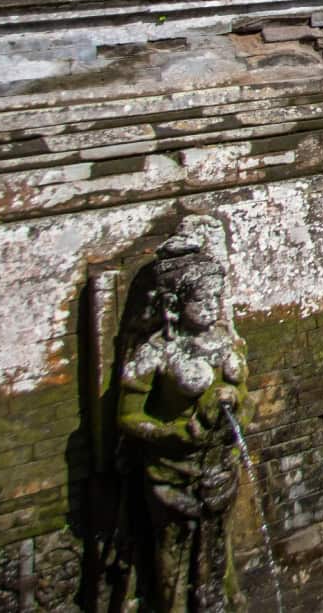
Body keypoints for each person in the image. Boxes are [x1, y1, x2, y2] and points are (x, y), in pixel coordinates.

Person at [117, 217, 248, 613]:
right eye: (202, 301)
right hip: (173, 471)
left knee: (218, 550)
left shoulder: (224, 341)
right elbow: (128, 416)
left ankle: (218, 600)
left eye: (216, 298)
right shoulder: (157, 352)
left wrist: (236, 398)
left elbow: (244, 395)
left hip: (219, 464)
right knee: (171, 555)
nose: (212, 308)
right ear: (174, 305)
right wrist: (171, 434)